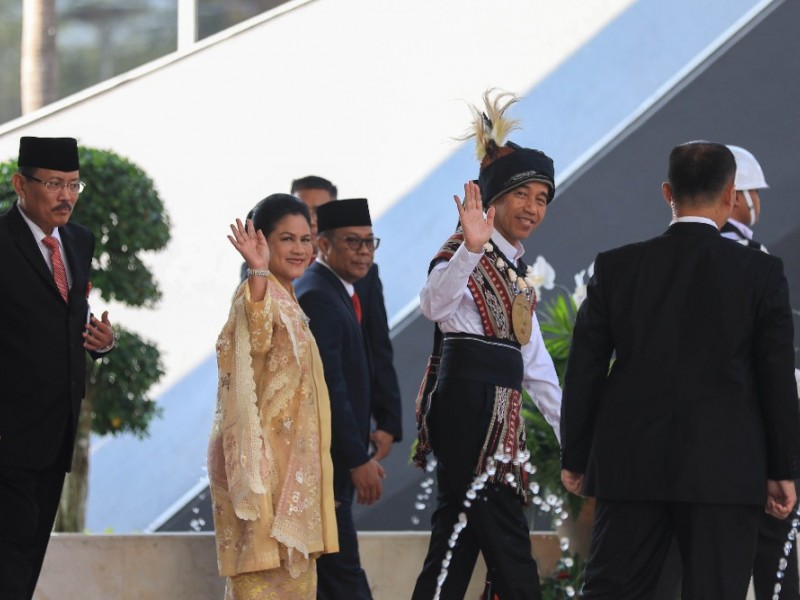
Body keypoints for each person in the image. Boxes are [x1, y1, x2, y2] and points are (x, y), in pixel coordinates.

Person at [560, 141, 800, 599]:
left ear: (667, 192)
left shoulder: (617, 267)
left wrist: (576, 455)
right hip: (725, 473)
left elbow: (585, 367)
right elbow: (775, 377)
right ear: (731, 195)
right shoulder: (762, 273)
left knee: (614, 592)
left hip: (632, 470)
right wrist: (782, 468)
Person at [411, 90, 562, 600]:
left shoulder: (516, 272)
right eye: (523, 194)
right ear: (492, 199)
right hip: (471, 408)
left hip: (497, 408)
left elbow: (535, 365)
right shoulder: (462, 250)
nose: (533, 208)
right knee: (510, 550)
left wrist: (574, 437)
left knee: (455, 546)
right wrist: (471, 250)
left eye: (542, 198)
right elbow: (434, 305)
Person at [0, 136, 115, 600]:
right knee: (8, 558)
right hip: (7, 439)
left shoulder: (79, 240)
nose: (66, 196)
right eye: (53, 184)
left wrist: (100, 343)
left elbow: (67, 314)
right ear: (20, 185)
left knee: (27, 559)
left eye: (73, 185)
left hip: (55, 435)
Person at [208, 194, 338, 600]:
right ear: (262, 242)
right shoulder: (257, 294)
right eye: (287, 239)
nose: (300, 249)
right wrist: (258, 270)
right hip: (264, 478)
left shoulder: (290, 301)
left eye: (306, 239)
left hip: (293, 482)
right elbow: (257, 339)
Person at [294, 198, 383, 600]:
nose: (364, 251)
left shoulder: (337, 290)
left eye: (369, 242)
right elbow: (328, 388)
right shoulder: (318, 294)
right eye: (353, 242)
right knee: (344, 579)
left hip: (333, 462)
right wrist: (356, 458)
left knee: (336, 579)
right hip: (325, 467)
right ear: (323, 245)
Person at [724, 145, 799, 600]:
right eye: (753, 192)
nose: (758, 203)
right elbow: (772, 362)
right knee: (774, 553)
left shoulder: (670, 257)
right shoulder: (755, 257)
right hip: (751, 435)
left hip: (695, 447)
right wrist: (784, 461)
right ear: (733, 196)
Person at [290, 175, 402, 462]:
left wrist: (388, 420)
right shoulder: (272, 269)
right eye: (303, 210)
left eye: (318, 211)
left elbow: (378, 345)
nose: (311, 219)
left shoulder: (363, 269)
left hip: (353, 424)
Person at [721, 145, 769, 252]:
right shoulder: (752, 252)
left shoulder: (688, 247)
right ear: (735, 197)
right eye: (755, 191)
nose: (758, 199)